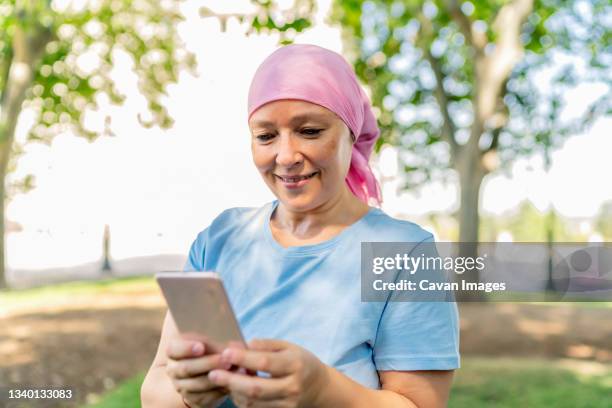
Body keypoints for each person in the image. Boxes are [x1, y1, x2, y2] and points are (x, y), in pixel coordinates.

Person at [141, 44, 460, 408]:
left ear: (351, 134)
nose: (286, 156)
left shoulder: (404, 252)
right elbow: (156, 383)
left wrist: (324, 391)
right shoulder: (220, 238)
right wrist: (186, 395)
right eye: (265, 136)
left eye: (309, 130)